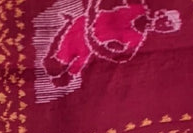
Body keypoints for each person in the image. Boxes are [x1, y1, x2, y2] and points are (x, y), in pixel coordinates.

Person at [42, 0, 181, 92]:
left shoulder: (136, 41)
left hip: (89, 44)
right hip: (84, 24)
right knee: (53, 65)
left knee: (67, 69)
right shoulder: (139, 8)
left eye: (167, 28)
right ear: (159, 14)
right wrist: (93, 7)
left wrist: (95, 44)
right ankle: (67, 25)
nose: (163, 26)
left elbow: (120, 57)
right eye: (166, 22)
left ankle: (68, 74)